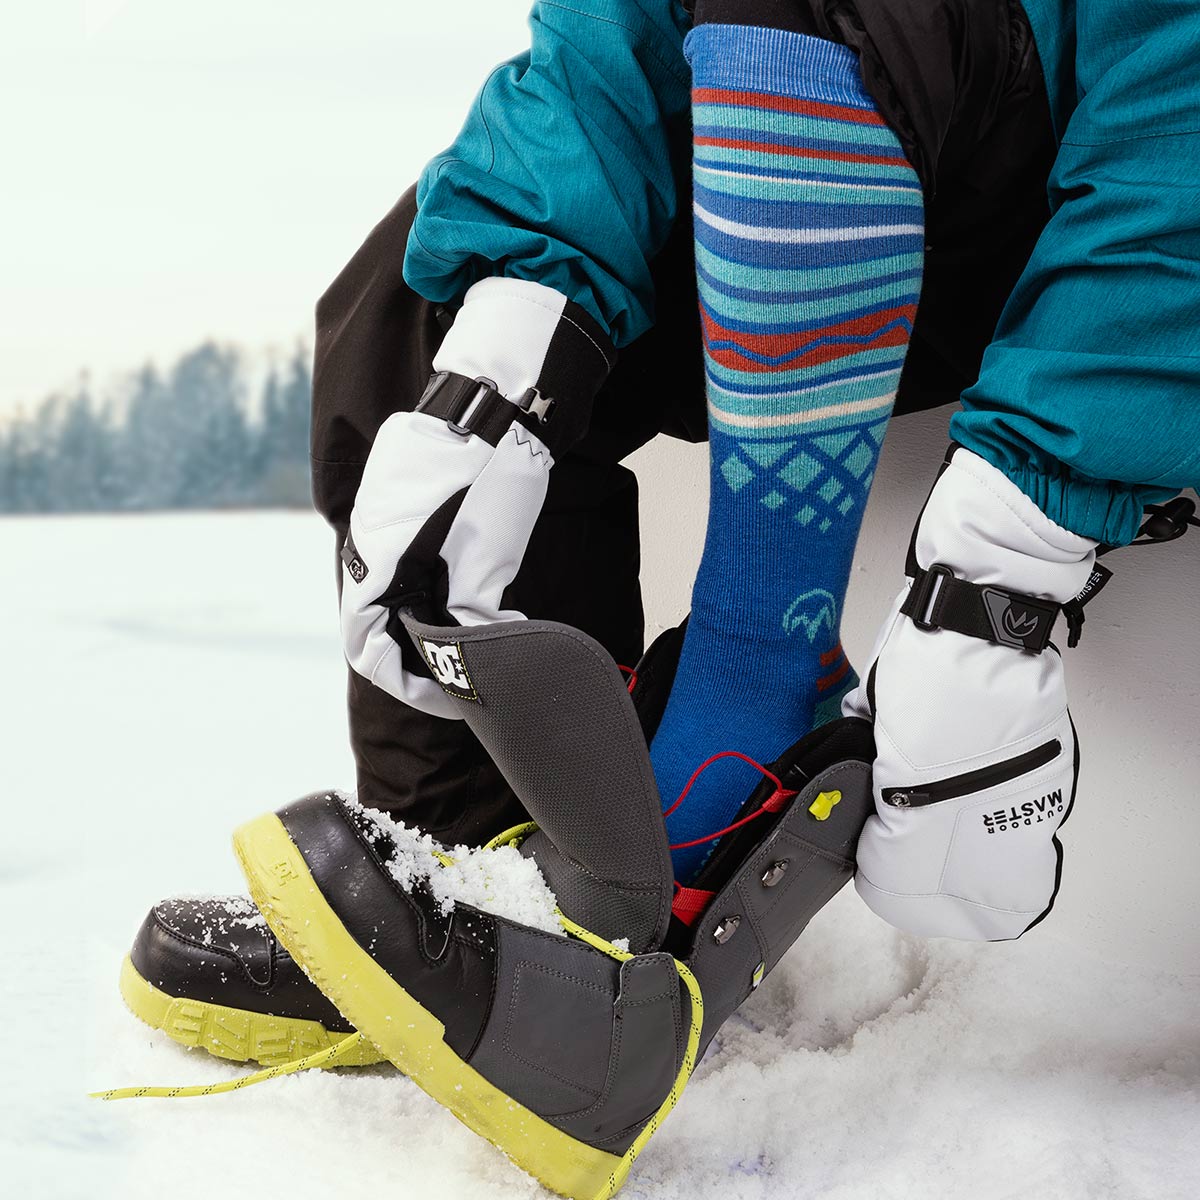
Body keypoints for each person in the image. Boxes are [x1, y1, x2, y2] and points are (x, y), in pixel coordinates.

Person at [121, 0, 1199, 1057]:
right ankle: (473, 874)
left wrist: (1011, 566)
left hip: (1097, 182)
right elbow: (611, 35)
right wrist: (504, 358)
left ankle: (757, 682)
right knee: (432, 288)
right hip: (829, 117)